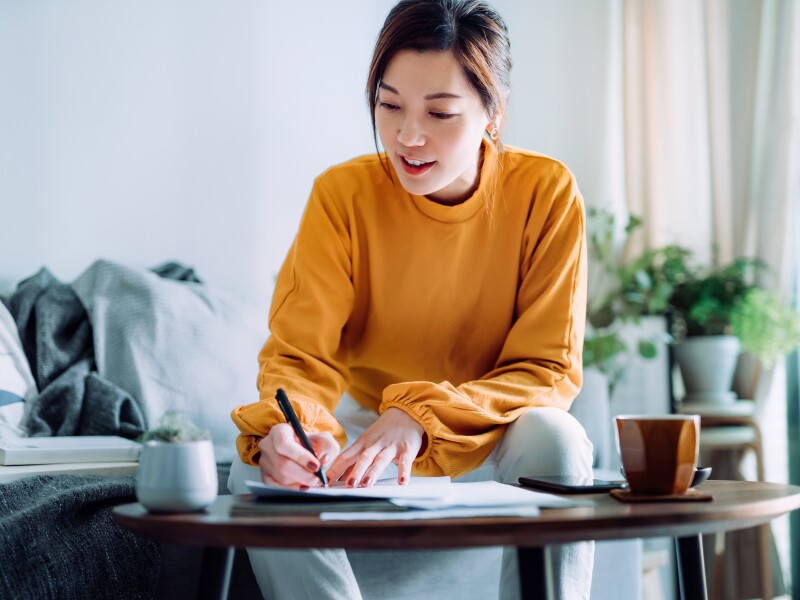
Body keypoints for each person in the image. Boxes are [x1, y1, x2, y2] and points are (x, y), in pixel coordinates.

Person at [228, 0, 594, 598]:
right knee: (260, 461)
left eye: (440, 112)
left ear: (493, 113)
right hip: (364, 426)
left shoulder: (545, 192)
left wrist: (422, 416)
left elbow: (546, 368)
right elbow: (300, 357)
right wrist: (298, 432)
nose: (408, 137)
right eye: (389, 104)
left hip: (487, 425)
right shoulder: (342, 195)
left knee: (558, 438)